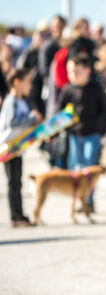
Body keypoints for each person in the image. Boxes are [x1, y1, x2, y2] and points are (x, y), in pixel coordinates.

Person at [56, 54, 106, 212]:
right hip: (74, 135)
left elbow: (105, 110)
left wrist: (103, 131)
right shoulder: (68, 89)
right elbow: (59, 114)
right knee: (76, 168)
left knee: (90, 166)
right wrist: (54, 133)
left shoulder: (95, 88)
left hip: (92, 134)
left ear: (87, 71)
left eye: (76, 71)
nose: (73, 74)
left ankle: (89, 200)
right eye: (70, 71)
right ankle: (79, 200)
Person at [0, 69, 43, 227]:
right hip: (9, 147)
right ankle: (15, 216)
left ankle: (19, 213)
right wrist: (31, 118)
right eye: (27, 82)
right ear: (17, 83)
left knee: (17, 182)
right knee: (13, 182)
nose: (30, 86)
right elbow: (13, 122)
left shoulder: (21, 101)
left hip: (18, 147)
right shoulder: (11, 101)